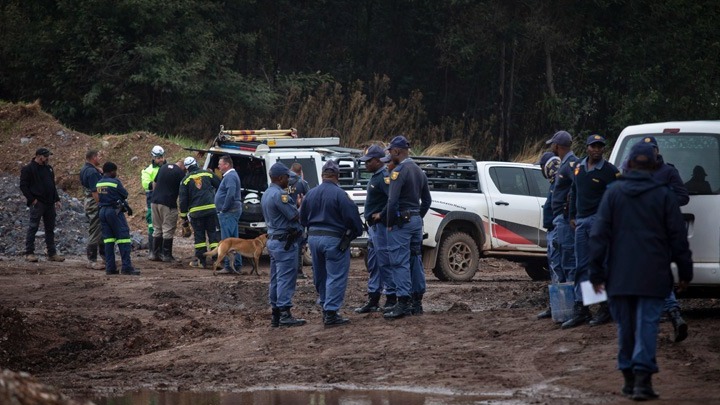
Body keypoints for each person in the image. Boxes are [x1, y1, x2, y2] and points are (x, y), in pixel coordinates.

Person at [589, 142, 692, 401]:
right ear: (656, 166)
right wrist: (685, 272)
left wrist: (596, 274)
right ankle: (643, 381)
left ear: (630, 164)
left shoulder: (613, 194)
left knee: (626, 326)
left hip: (619, 276)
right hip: (654, 275)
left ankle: (628, 378)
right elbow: (678, 238)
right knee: (647, 324)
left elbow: (599, 236)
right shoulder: (665, 195)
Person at [563, 134, 619, 328]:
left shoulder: (610, 171)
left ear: (603, 149)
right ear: (586, 148)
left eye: (599, 146)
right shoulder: (578, 167)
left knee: (600, 263)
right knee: (582, 265)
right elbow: (574, 191)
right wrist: (572, 216)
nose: (596, 149)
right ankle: (583, 307)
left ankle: (605, 307)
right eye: (593, 146)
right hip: (581, 221)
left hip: (599, 221)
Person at [300, 160, 364, 326]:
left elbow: (302, 218)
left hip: (314, 239)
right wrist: (352, 235)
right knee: (336, 275)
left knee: (320, 274)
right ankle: (331, 312)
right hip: (334, 239)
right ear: (337, 176)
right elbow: (353, 219)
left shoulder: (311, 194)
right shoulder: (340, 195)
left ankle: (324, 304)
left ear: (322, 176)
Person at [382, 135, 432, 319]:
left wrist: (389, 224)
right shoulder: (419, 171)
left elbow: (392, 200)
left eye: (390, 151)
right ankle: (416, 301)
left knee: (399, 261)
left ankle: (402, 302)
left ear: (397, 151)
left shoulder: (399, 171)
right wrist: (417, 216)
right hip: (416, 221)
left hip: (401, 223)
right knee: (415, 259)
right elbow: (427, 200)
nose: (389, 154)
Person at [262, 162, 306, 327]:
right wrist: (303, 206)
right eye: (287, 177)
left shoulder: (267, 193)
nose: (289, 180)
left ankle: (276, 314)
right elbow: (294, 215)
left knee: (275, 278)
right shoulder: (281, 195)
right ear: (280, 178)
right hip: (284, 242)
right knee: (286, 278)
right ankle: (285, 313)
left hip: (274, 240)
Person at [354, 145, 397, 313]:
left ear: (378, 161)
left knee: (384, 262)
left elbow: (392, 199)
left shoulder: (383, 177)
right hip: (374, 228)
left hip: (380, 227)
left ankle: (391, 297)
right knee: (374, 263)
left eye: (368, 161)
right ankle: (374, 298)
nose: (365, 164)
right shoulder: (376, 176)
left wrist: (382, 215)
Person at [546, 131, 580, 325]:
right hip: (562, 219)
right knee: (563, 259)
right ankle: (568, 307)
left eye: (552, 145)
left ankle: (575, 307)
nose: (551, 147)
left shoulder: (570, 164)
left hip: (566, 220)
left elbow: (577, 187)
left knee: (569, 261)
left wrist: (570, 211)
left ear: (557, 146)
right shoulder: (566, 163)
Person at [20, 147, 65, 263]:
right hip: (38, 203)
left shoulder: (48, 168)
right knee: (33, 227)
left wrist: (57, 199)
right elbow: (23, 186)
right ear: (39, 156)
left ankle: (52, 253)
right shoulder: (28, 169)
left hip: (49, 202)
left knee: (50, 229)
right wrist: (32, 200)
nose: (47, 158)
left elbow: (52, 185)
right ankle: (29, 252)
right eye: (46, 156)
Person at [96, 162, 140, 275]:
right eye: (115, 171)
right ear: (111, 171)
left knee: (108, 240)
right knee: (123, 238)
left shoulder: (99, 183)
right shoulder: (115, 182)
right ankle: (126, 267)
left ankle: (110, 268)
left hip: (102, 212)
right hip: (114, 212)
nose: (116, 173)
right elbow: (125, 194)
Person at [179, 156, 221, 269]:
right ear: (196, 164)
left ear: (187, 168)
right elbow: (220, 185)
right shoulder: (207, 174)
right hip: (211, 210)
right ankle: (217, 260)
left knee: (199, 238)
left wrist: (184, 217)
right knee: (213, 235)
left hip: (196, 213)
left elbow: (183, 200)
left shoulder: (185, 180)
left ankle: (201, 261)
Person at [536, 151, 561, 319]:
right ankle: (557, 306)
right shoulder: (554, 183)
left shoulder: (560, 183)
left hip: (558, 231)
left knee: (559, 269)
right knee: (555, 270)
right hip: (553, 231)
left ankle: (562, 306)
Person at [150, 159, 186, 263]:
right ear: (183, 167)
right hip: (168, 204)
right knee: (168, 229)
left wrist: (155, 195)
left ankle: (154, 254)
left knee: (157, 228)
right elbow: (183, 190)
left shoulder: (163, 167)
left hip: (154, 202)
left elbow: (154, 183)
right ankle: (166, 255)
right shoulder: (180, 173)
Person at [215, 155, 243, 275]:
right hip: (230, 211)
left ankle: (229, 266)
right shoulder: (230, 176)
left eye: (220, 164)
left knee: (227, 241)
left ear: (226, 165)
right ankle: (235, 265)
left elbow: (231, 194)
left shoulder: (230, 176)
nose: (218, 166)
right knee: (234, 240)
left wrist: (224, 209)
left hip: (229, 212)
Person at [79, 150, 104, 269]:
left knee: (99, 230)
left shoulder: (85, 169)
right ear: (94, 157)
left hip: (88, 203)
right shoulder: (92, 172)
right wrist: (101, 204)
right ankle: (92, 260)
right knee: (94, 230)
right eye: (99, 156)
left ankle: (104, 257)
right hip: (94, 204)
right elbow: (95, 191)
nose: (100, 158)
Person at [141, 145, 166, 260]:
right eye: (158, 157)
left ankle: (162, 252)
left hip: (166, 201)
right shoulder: (148, 170)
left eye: (162, 157)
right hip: (152, 201)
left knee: (165, 227)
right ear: (153, 157)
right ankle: (152, 251)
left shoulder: (168, 168)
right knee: (153, 226)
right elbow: (146, 185)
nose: (161, 159)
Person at [289, 163, 310, 279]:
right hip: (299, 218)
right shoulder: (302, 183)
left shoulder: (283, 181)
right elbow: (309, 199)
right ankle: (298, 271)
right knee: (299, 245)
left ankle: (289, 270)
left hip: (286, 218)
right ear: (301, 172)